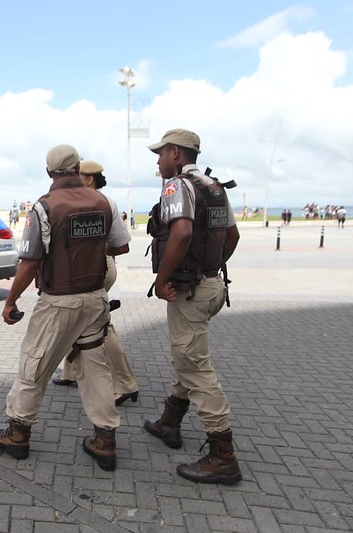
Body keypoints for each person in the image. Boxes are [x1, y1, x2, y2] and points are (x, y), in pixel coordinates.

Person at [0, 144, 131, 471]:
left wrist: (11, 300)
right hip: (95, 299)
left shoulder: (44, 208)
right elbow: (121, 245)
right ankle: (105, 439)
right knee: (96, 369)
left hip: (59, 303)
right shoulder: (105, 201)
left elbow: (30, 262)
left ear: (49, 172)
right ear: (78, 167)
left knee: (34, 364)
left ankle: (18, 434)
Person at [144, 129, 242, 485]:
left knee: (196, 367)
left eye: (161, 154)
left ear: (175, 153)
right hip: (213, 285)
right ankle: (169, 422)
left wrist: (162, 279)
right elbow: (232, 237)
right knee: (186, 354)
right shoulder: (215, 188)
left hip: (190, 290)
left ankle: (222, 455)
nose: (157, 161)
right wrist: (209, 266)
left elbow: (182, 233)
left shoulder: (177, 187)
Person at [51, 160, 139, 406]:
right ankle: (70, 372)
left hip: (98, 268)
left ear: (88, 179)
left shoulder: (101, 203)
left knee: (100, 327)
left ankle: (126, 383)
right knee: (74, 321)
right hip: (86, 269)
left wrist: (96, 249)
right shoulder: (93, 201)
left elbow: (121, 246)